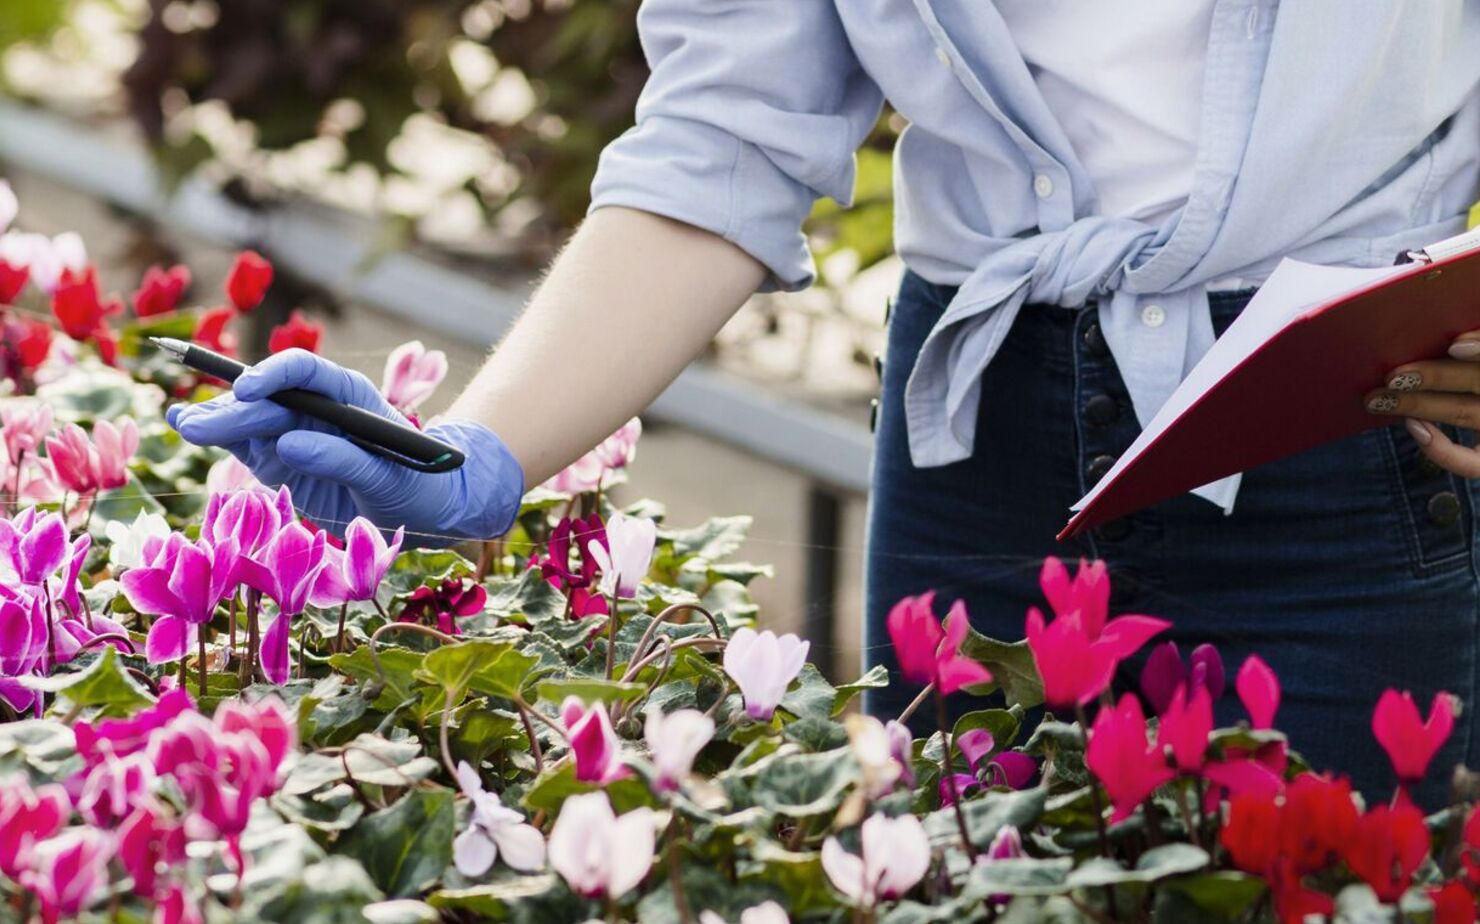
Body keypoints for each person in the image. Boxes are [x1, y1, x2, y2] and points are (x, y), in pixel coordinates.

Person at [170, 2, 1480, 798]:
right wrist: (481, 447)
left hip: (1343, 429)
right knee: (948, 878)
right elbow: (728, 134)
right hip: (982, 432)